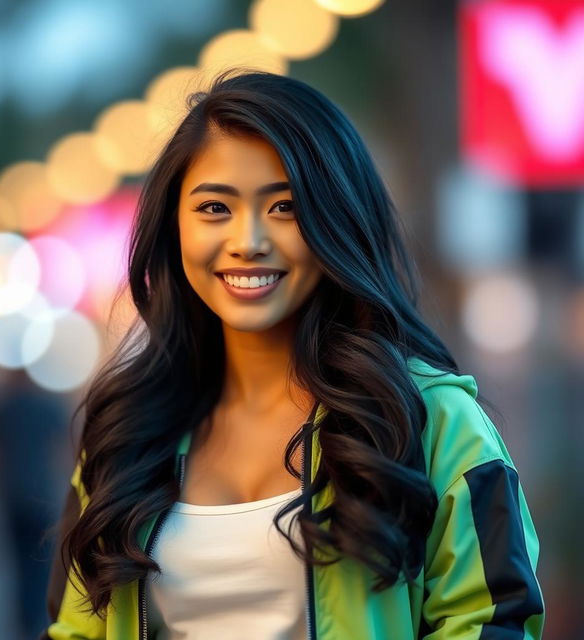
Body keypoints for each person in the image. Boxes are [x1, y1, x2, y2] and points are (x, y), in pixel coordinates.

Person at [40, 68, 545, 640]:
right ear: (172, 226)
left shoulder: (431, 420)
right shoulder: (125, 436)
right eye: (214, 208)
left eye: (284, 207)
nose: (249, 240)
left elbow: (494, 623)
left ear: (337, 220)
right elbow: (75, 630)